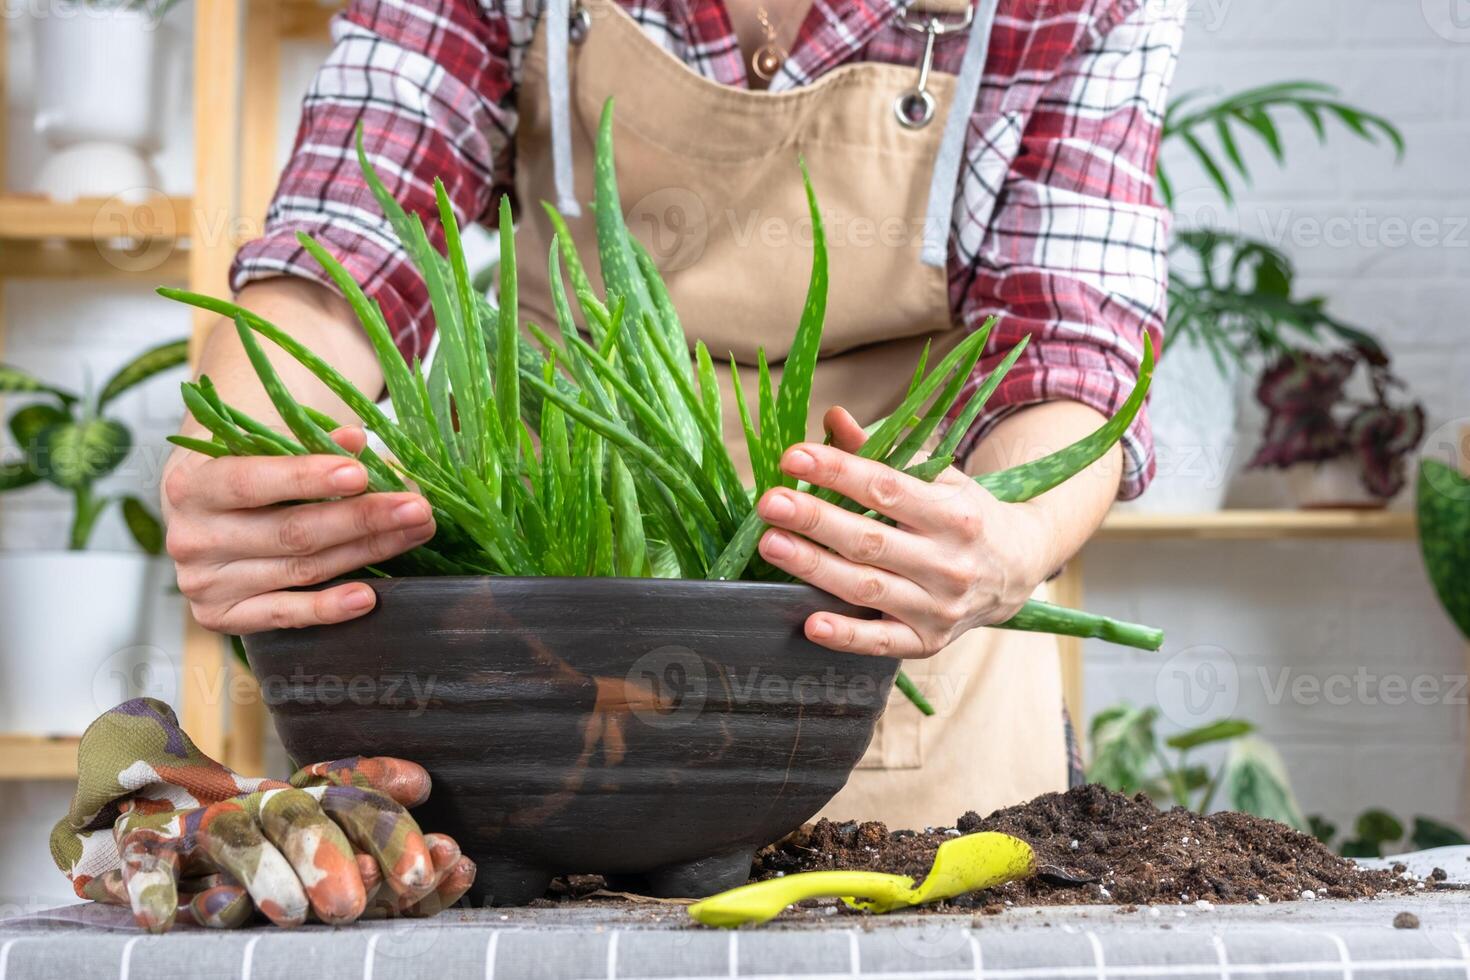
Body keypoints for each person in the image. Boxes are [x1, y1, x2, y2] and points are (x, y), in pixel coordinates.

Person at [162, 0, 1184, 829]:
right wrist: (254, 459)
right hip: (542, 667)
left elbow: (1072, 352)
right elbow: (345, 246)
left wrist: (1009, 532)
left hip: (897, 629)